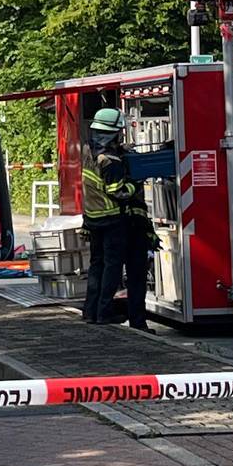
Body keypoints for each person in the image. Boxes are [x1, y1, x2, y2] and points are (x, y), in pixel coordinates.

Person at [78, 107, 150, 329]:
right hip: (112, 220)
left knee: (97, 266)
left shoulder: (88, 151)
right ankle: (105, 312)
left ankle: (91, 311)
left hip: (93, 218)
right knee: (112, 267)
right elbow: (118, 191)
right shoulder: (111, 161)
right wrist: (136, 183)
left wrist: (121, 150)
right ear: (114, 133)